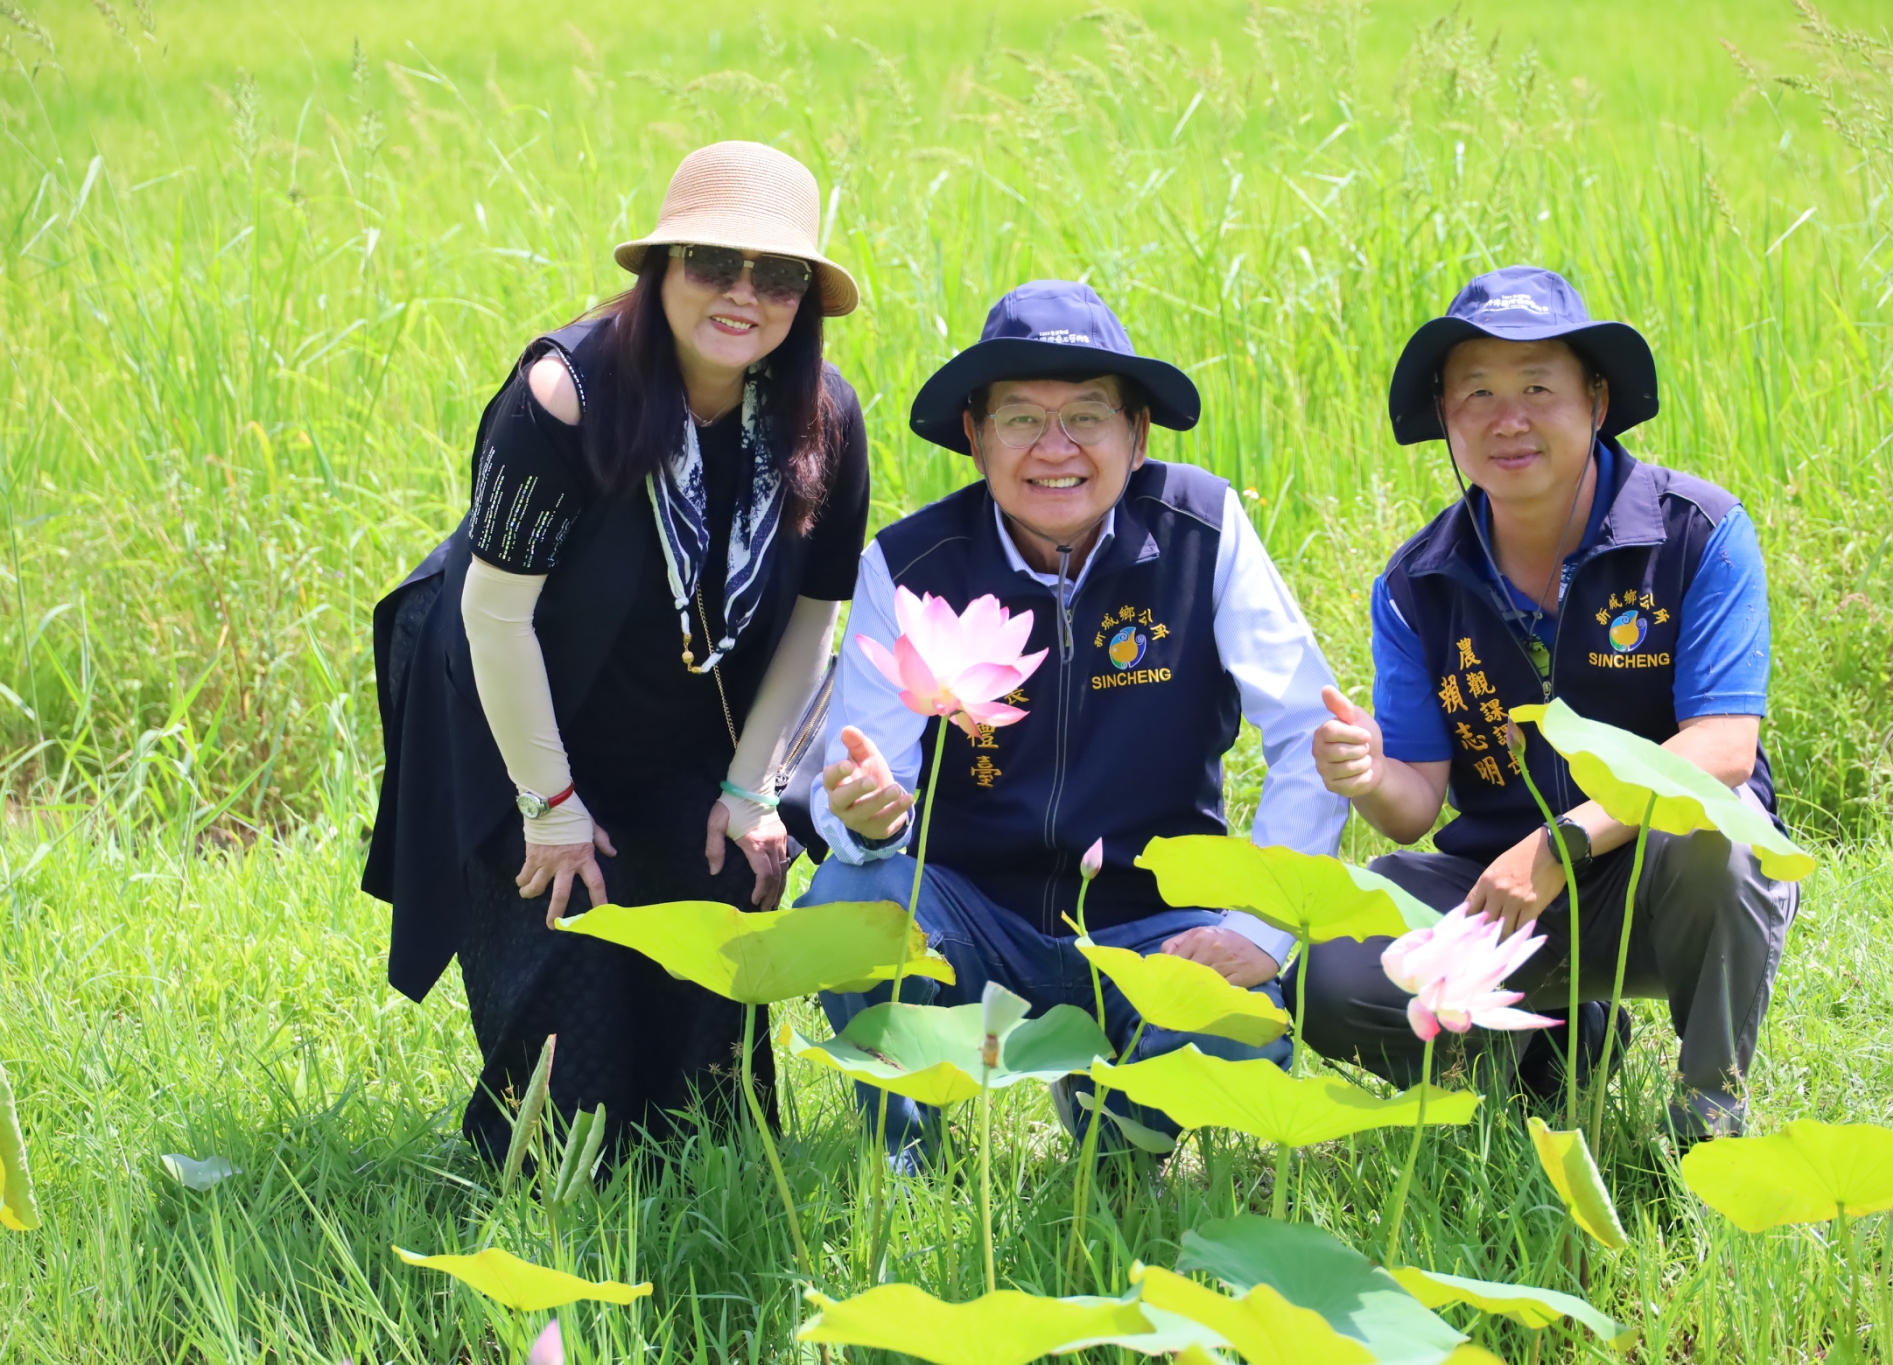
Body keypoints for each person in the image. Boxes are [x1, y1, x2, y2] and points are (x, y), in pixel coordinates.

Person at [363, 142, 869, 1162]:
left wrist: (753, 788)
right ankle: (540, 1176)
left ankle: (699, 1171)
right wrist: (550, 804)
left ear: (805, 299)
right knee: (571, 979)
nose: (743, 294)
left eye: (777, 276)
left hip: (689, 709)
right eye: (712, 263)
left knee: (713, 966)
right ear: (661, 269)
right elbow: (493, 616)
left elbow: (815, 618)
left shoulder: (821, 416)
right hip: (517, 702)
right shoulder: (566, 398)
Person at [796, 280, 1349, 1157]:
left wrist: (1256, 931)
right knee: (848, 901)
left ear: (1138, 434)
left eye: (1087, 416)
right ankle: (903, 1162)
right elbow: (866, 779)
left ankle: (1118, 1144)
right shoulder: (910, 565)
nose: (1055, 448)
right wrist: (867, 819)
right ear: (975, 435)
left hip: (1152, 927)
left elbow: (1311, 739)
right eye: (1020, 418)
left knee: (1238, 1022)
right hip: (971, 913)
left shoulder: (1203, 531)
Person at [1302, 265, 1796, 1141]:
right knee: (1327, 963)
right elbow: (1414, 808)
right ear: (1445, 416)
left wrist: (1562, 842)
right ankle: (1543, 1061)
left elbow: (1722, 748)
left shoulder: (1698, 532)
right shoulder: (1415, 583)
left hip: (1657, 874)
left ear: (1596, 400)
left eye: (1537, 387)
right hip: (1499, 890)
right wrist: (1369, 772)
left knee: (1720, 841)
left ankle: (1707, 1119)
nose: (1508, 419)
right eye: (1478, 393)